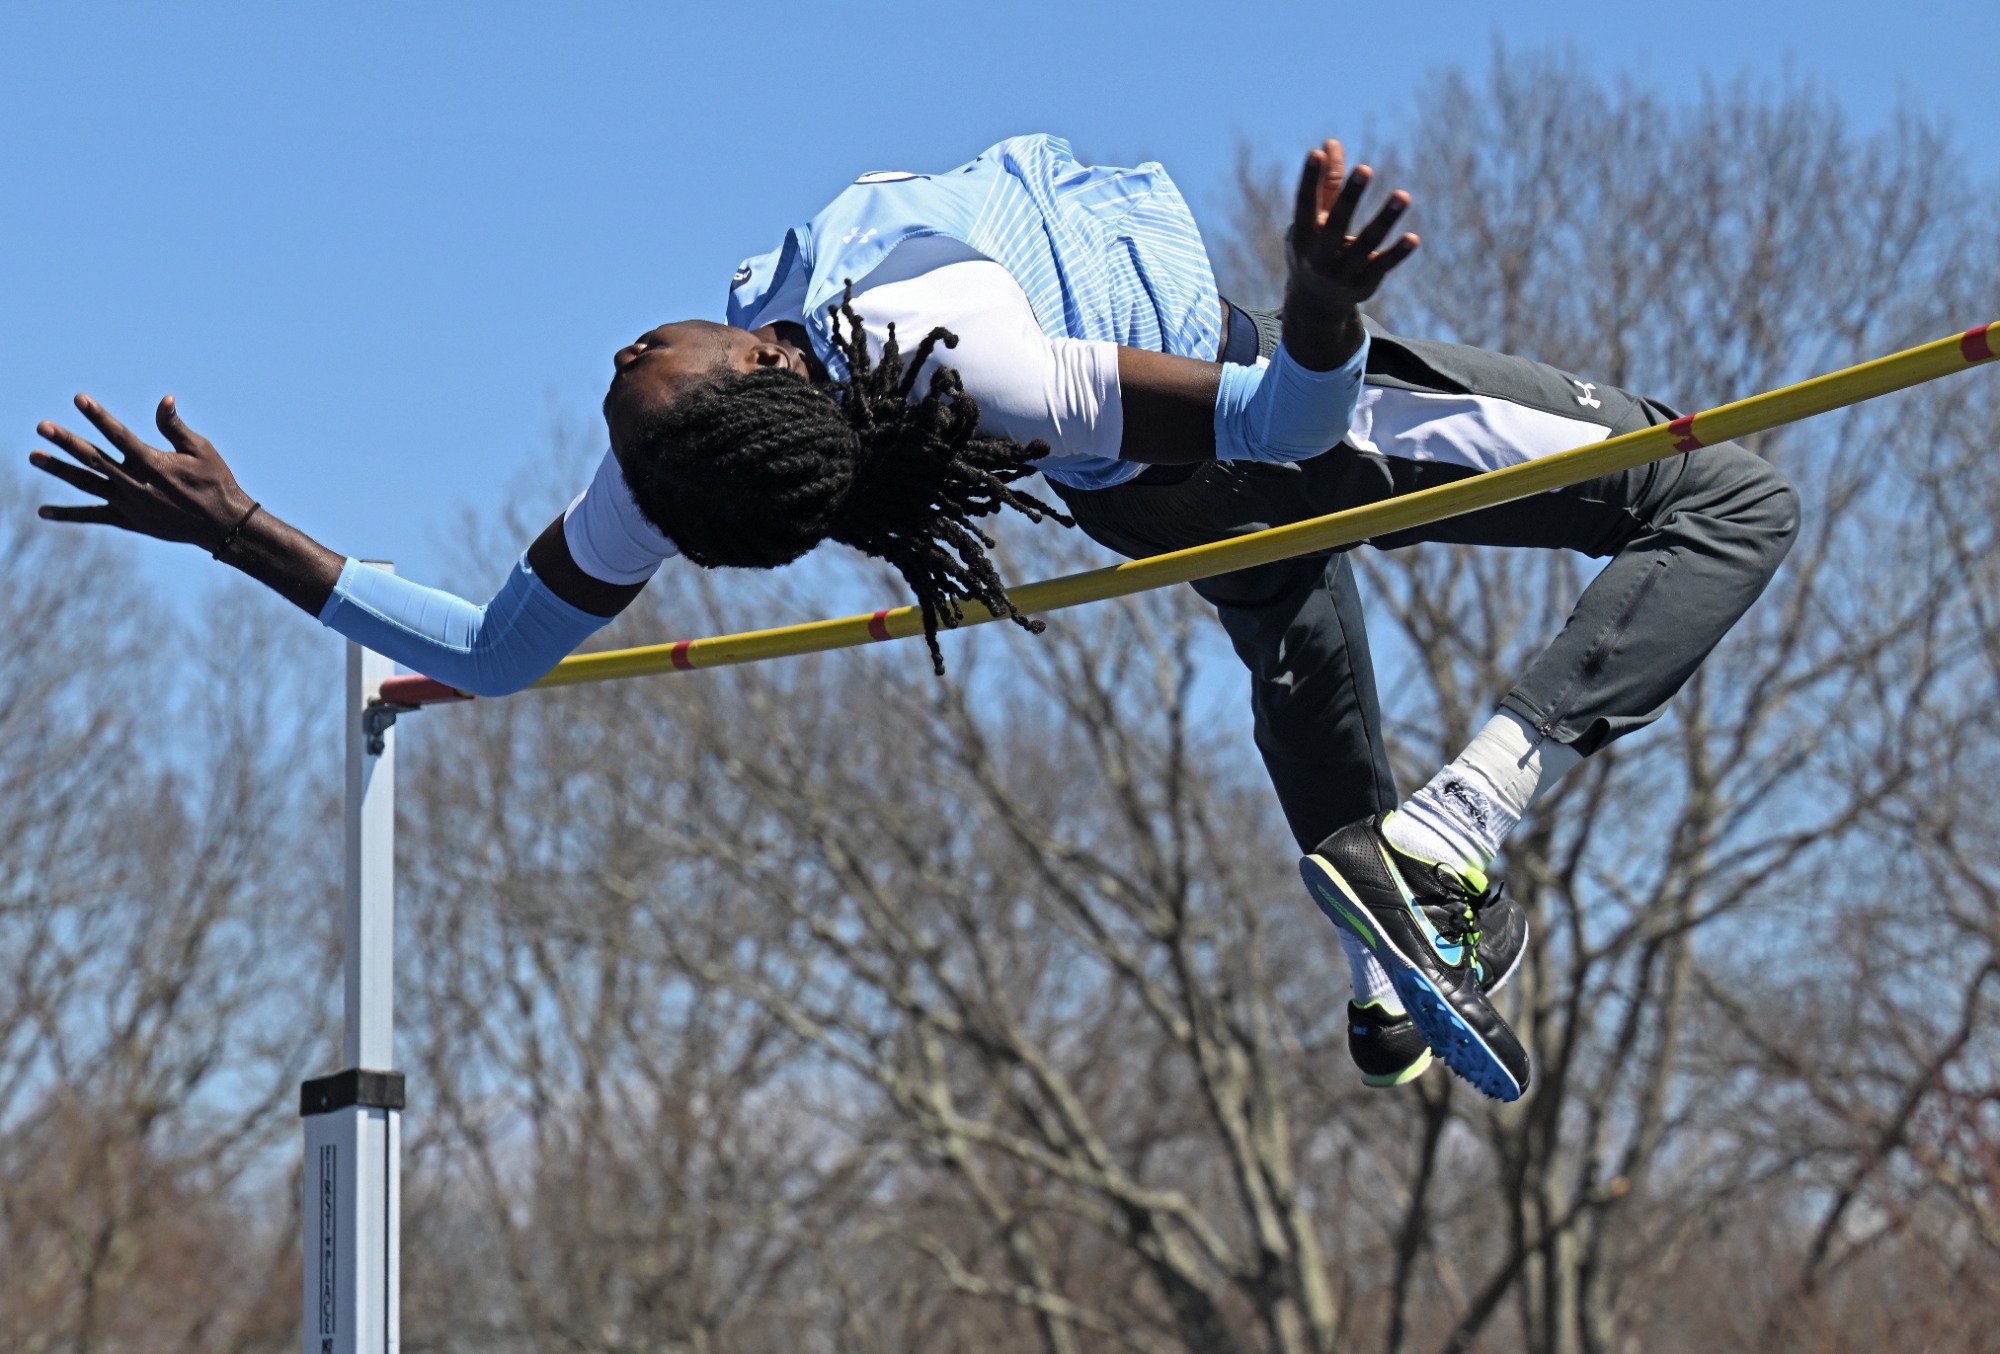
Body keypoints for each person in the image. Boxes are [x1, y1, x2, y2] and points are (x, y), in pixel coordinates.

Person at [29, 134, 1797, 1102]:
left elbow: (492, 649)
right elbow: (1279, 429)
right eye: (647, 385)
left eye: (632, 388)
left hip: (1146, 488)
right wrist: (1324, 308)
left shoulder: (670, 470)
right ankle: (1471, 814)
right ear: (747, 391)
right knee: (1728, 495)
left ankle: (1384, 944)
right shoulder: (954, 348)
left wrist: (248, 529)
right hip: (1235, 404)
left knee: (1293, 628)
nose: (619, 369)